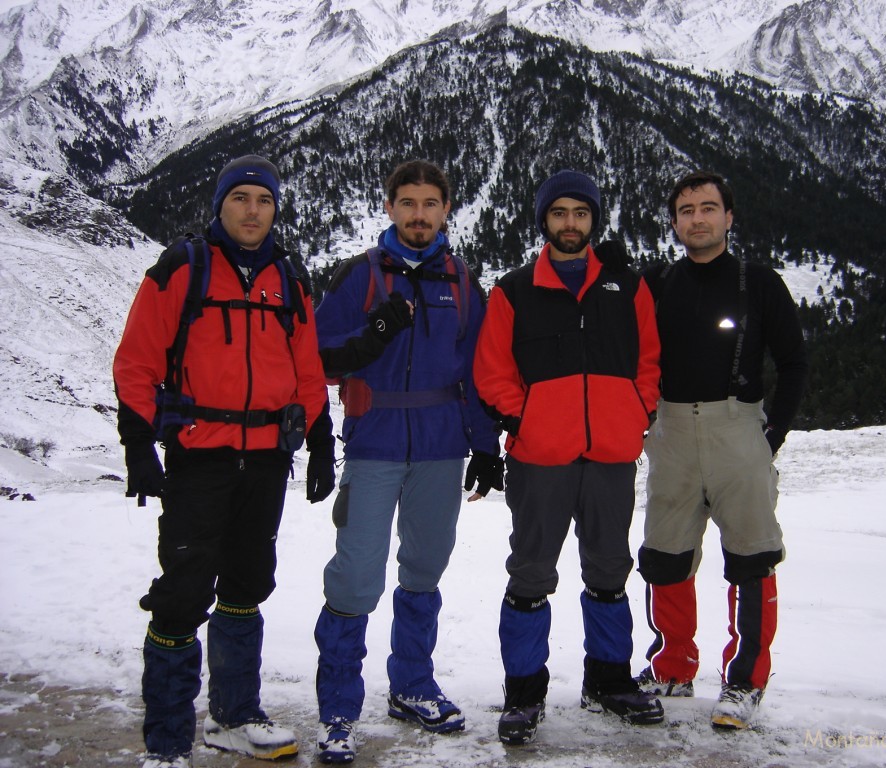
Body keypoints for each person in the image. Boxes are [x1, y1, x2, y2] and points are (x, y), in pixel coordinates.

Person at [113, 154, 337, 768]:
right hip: (200, 457)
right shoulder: (183, 269)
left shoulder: (288, 278)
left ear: (274, 209)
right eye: (240, 198)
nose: (252, 210)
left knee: (246, 584)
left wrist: (319, 441)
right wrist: (138, 440)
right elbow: (137, 361)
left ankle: (235, 718)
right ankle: (166, 737)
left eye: (263, 200)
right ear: (221, 205)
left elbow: (307, 370)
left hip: (266, 458)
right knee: (183, 592)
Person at [312, 159, 502, 764]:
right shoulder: (360, 277)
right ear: (390, 207)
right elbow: (317, 357)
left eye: (431, 204)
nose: (419, 215)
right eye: (408, 203)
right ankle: (339, 706)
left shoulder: (463, 282)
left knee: (424, 566)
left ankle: (412, 686)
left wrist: (485, 446)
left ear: (448, 209)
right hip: (375, 442)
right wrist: (371, 332)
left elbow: (477, 370)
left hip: (441, 447)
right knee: (356, 572)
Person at [473, 170, 664, 746]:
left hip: (611, 454)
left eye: (581, 213)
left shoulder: (628, 288)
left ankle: (608, 681)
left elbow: (649, 362)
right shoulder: (514, 290)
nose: (570, 224)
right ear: (544, 221)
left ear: (593, 220)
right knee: (531, 573)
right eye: (559, 213)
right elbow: (492, 370)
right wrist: (525, 418)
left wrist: (637, 410)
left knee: (609, 569)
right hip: (540, 457)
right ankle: (523, 694)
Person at [635, 170, 808, 730]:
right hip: (672, 430)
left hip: (739, 429)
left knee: (752, 555)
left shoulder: (758, 282)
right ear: (675, 222)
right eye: (686, 211)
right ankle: (673, 665)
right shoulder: (656, 282)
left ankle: (745, 681)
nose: (698, 219)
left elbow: (794, 363)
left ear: (729, 218)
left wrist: (772, 434)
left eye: (708, 208)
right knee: (665, 554)